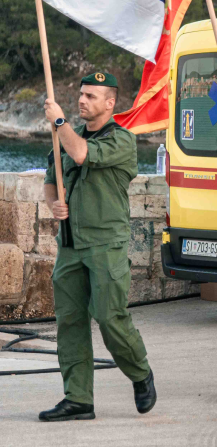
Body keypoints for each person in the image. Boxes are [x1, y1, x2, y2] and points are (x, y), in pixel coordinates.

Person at [39, 72, 155, 422]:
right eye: (81, 94)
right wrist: (54, 204)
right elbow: (50, 179)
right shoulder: (65, 137)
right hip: (71, 246)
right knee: (70, 323)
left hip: (105, 245)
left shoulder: (122, 141)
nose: (82, 100)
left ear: (110, 103)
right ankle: (78, 399)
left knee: (110, 318)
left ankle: (139, 372)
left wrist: (59, 120)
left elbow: (80, 154)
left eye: (91, 96)